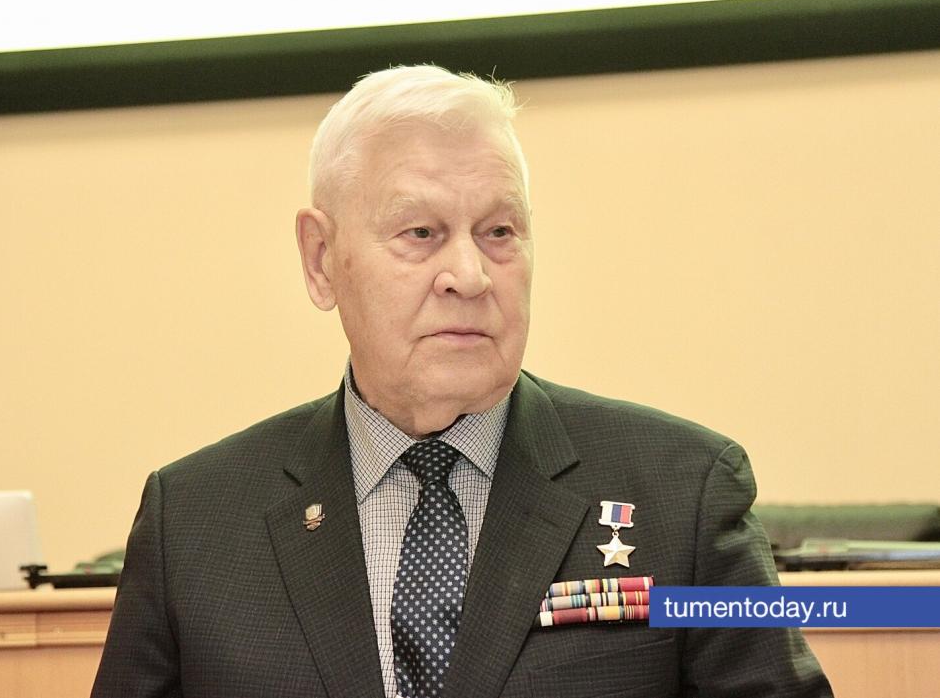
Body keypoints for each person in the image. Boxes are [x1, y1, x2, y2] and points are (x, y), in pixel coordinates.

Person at [92, 65, 832, 698]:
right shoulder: (193, 524)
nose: (470, 276)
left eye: (498, 232)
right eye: (421, 233)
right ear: (321, 260)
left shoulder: (682, 494)